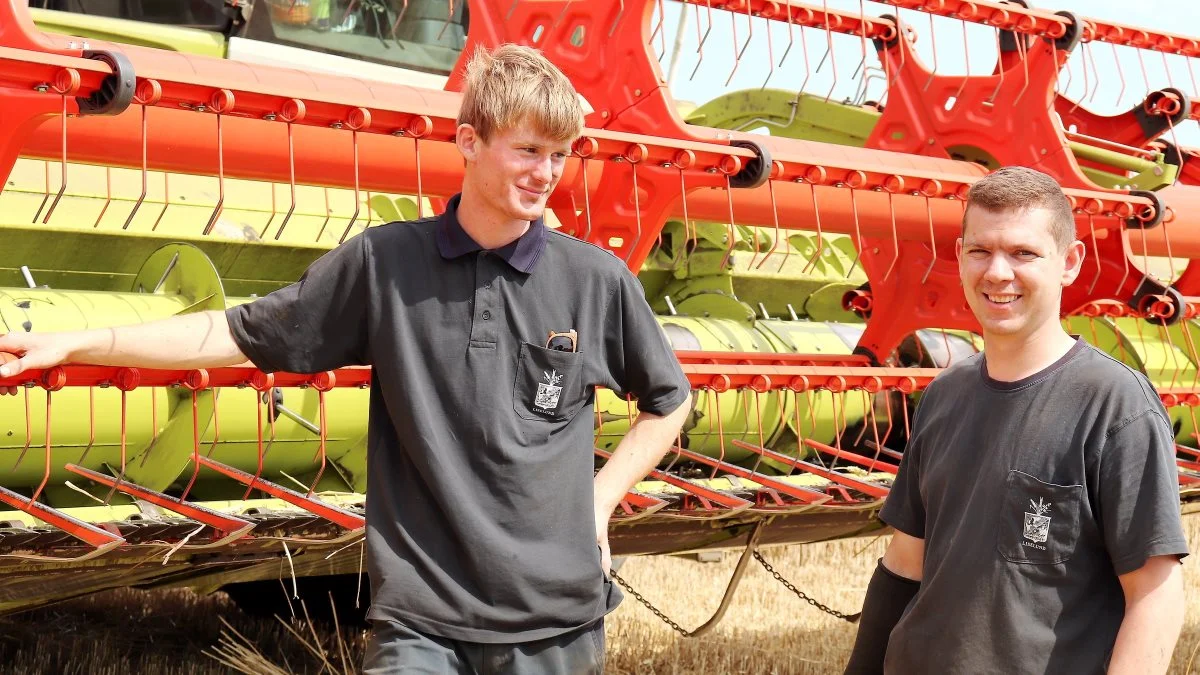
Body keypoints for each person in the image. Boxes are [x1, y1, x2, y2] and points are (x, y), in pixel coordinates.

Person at [0, 44, 691, 674]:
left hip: (554, 623)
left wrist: (598, 502)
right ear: (469, 142)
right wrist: (80, 341)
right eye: (529, 150)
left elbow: (669, 399)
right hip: (421, 621)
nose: (545, 175)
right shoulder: (386, 265)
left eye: (560, 157)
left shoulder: (593, 279)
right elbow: (235, 333)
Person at [844, 166, 1188, 675]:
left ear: (1070, 262)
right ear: (960, 255)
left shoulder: (1113, 406)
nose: (998, 273)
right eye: (980, 251)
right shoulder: (944, 395)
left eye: (1024, 253)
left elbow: (1155, 596)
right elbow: (904, 565)